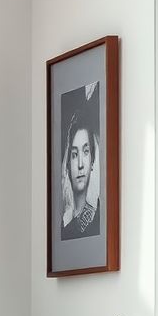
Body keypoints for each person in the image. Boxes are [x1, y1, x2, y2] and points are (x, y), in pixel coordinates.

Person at [61, 101, 100, 240]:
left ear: (92, 160)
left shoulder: (97, 218)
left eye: (85, 151)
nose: (80, 165)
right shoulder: (64, 225)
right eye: (74, 154)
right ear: (67, 164)